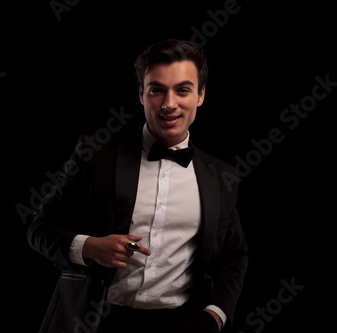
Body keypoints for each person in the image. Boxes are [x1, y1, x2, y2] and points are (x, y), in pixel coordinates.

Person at [27, 38, 248, 333]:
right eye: (157, 90)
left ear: (201, 95)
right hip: (91, 322)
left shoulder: (222, 176)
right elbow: (39, 228)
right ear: (142, 94)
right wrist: (89, 247)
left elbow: (235, 255)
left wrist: (216, 313)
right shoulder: (95, 153)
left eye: (183, 90)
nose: (169, 104)